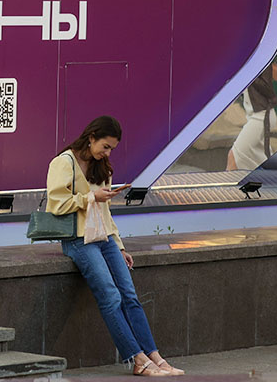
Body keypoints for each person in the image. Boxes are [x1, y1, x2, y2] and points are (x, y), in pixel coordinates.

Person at [47, 116, 184, 376]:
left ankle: (155, 356)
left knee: (130, 296)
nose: (107, 153)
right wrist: (91, 197)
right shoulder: (64, 162)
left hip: (105, 237)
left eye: (111, 148)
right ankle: (138, 360)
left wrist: (119, 247)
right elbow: (56, 205)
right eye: (105, 146)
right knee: (110, 297)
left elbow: (106, 213)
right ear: (92, 137)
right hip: (78, 240)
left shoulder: (103, 168)